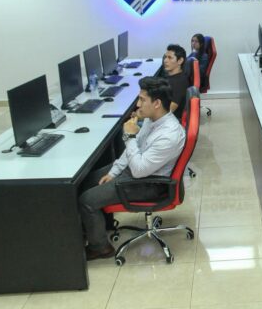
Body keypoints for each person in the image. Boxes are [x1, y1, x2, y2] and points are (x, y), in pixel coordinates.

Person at [79, 77, 186, 260]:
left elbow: (138, 169)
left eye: (142, 100)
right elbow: (131, 152)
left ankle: (100, 247)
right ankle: (94, 229)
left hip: (148, 183)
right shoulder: (153, 119)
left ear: (157, 103)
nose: (138, 104)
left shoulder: (169, 135)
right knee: (86, 181)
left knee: (86, 200)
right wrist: (113, 172)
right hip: (138, 169)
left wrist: (129, 136)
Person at [164, 44, 189, 121]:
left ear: (180, 61)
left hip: (171, 120)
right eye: (165, 57)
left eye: (170, 58)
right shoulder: (173, 77)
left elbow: (170, 110)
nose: (165, 60)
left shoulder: (179, 82)